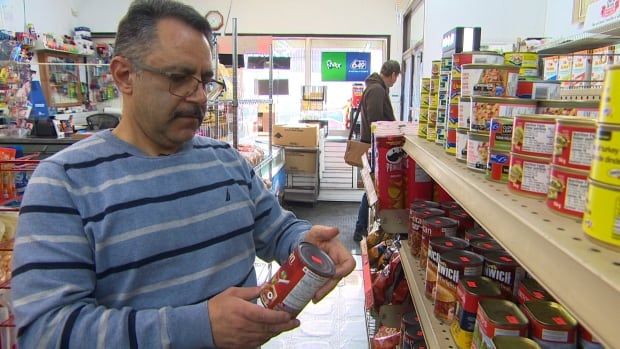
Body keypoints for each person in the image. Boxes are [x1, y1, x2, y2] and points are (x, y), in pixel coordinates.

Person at [11, 1, 355, 348]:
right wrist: (198, 327)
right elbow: (47, 332)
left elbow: (276, 229)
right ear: (124, 75)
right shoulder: (63, 182)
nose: (200, 97)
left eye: (205, 81)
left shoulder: (227, 161)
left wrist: (303, 241)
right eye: (179, 79)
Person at [353, 60, 400, 242]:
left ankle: (362, 228)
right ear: (393, 74)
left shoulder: (375, 88)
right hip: (375, 148)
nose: (395, 82)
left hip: (374, 146)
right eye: (396, 77)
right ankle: (360, 229)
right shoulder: (377, 90)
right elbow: (376, 122)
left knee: (371, 189)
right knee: (372, 190)